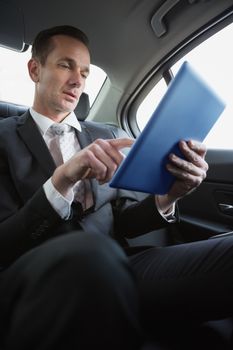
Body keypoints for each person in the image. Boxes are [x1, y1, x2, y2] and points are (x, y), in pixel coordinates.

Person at [0, 25, 232, 350]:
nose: (78, 80)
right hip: (43, 277)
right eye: (66, 64)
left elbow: (124, 222)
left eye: (84, 71)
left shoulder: (105, 135)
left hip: (127, 267)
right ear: (35, 69)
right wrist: (63, 179)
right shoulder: (4, 138)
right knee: (93, 254)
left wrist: (170, 195)